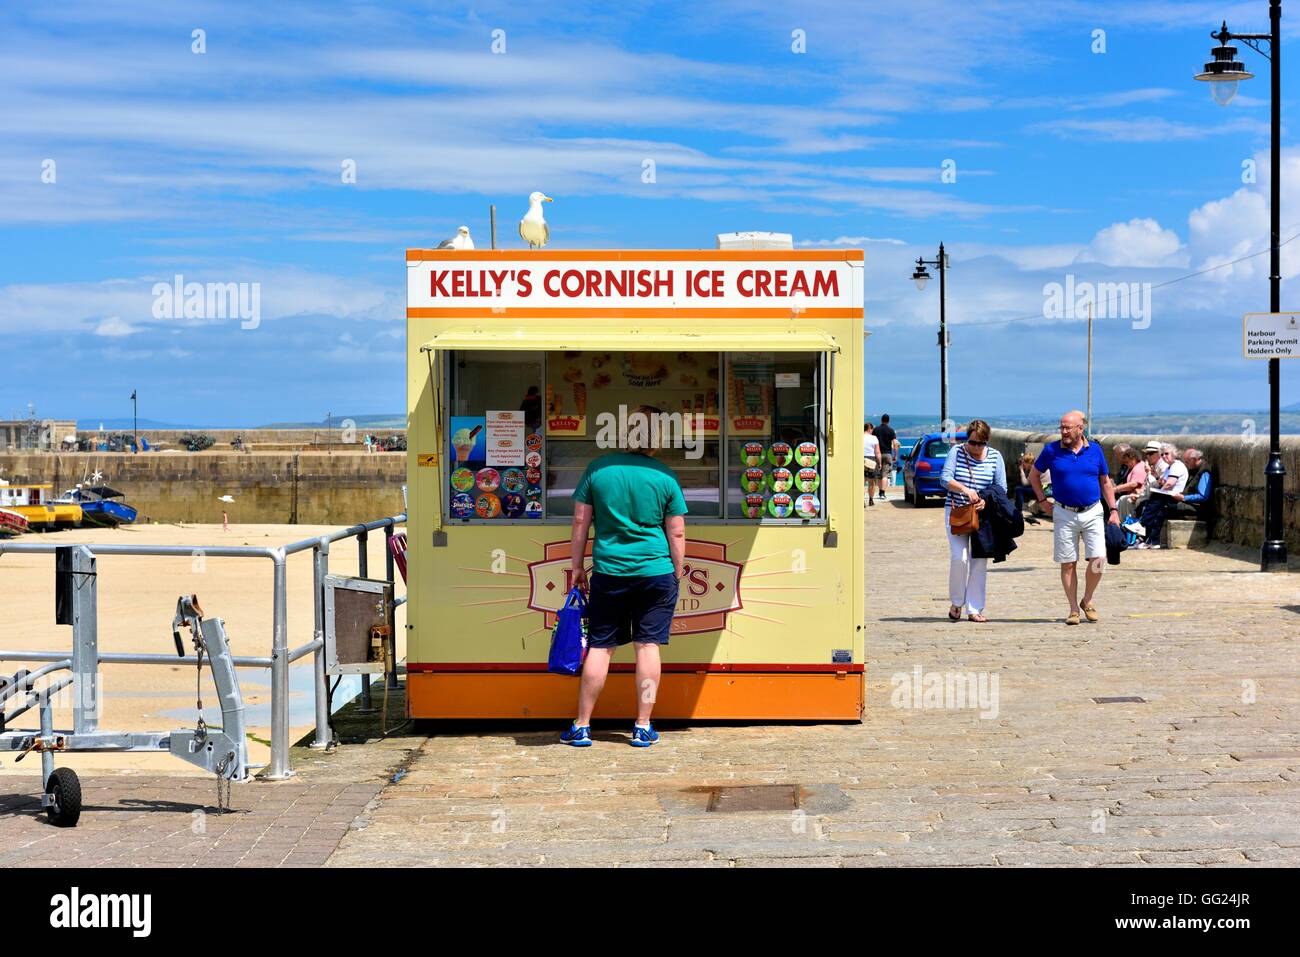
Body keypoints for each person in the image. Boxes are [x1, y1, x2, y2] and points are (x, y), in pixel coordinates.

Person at [562, 405, 686, 748]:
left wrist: (577, 566)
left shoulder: (599, 469)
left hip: (610, 572)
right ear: (658, 437)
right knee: (648, 646)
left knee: (601, 647)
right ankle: (643, 725)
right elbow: (676, 532)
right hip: (656, 572)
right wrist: (676, 570)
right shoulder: (665, 476)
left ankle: (582, 725)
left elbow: (580, 521)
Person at [1029, 410, 1120, 625]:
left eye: (1067, 428)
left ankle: (1087, 600)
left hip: (1092, 511)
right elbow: (1034, 475)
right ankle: (1073, 609)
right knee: (1068, 563)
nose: (1063, 431)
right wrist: (1042, 501)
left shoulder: (1095, 450)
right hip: (1064, 512)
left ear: (1081, 428)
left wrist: (1114, 510)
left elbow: (1105, 481)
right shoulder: (1051, 450)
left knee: (1099, 559)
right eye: (1061, 427)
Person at [941, 419, 1007, 623]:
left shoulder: (995, 457)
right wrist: (965, 490)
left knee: (979, 561)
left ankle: (974, 608)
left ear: (987, 441)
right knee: (959, 558)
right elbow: (945, 478)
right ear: (967, 439)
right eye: (973, 442)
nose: (976, 447)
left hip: (982, 515)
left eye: (981, 443)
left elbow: (1001, 487)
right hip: (957, 512)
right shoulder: (957, 452)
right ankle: (956, 602)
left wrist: (986, 500)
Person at [1126, 447, 1210, 549]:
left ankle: (1146, 532)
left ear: (1194, 459)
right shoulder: (1193, 469)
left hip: (1196, 507)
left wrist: (1184, 497)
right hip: (1186, 501)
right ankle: (1150, 539)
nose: (1186, 464)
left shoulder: (1204, 471)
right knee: (1157, 504)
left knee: (1162, 505)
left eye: (1187, 462)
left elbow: (1203, 496)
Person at [1113, 446, 1150, 524]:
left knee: (1122, 500)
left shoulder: (1139, 467)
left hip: (1137, 497)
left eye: (1127, 462)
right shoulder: (1135, 467)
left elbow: (1134, 484)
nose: (1126, 464)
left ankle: (1125, 524)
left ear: (1133, 459)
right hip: (1133, 496)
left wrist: (1115, 489)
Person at [874, 414, 898, 497]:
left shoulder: (876, 430)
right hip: (887, 454)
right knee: (885, 475)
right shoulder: (891, 430)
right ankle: (882, 492)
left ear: (881, 420)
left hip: (878, 454)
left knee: (879, 475)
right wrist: (895, 454)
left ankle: (880, 491)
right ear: (888, 421)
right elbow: (895, 443)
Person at [863, 422, 881, 506]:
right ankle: (871, 500)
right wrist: (879, 463)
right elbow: (877, 452)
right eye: (872, 429)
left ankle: (862, 500)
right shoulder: (874, 438)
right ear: (869, 428)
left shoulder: (859, 436)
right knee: (872, 482)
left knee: (861, 482)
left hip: (861, 459)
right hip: (871, 460)